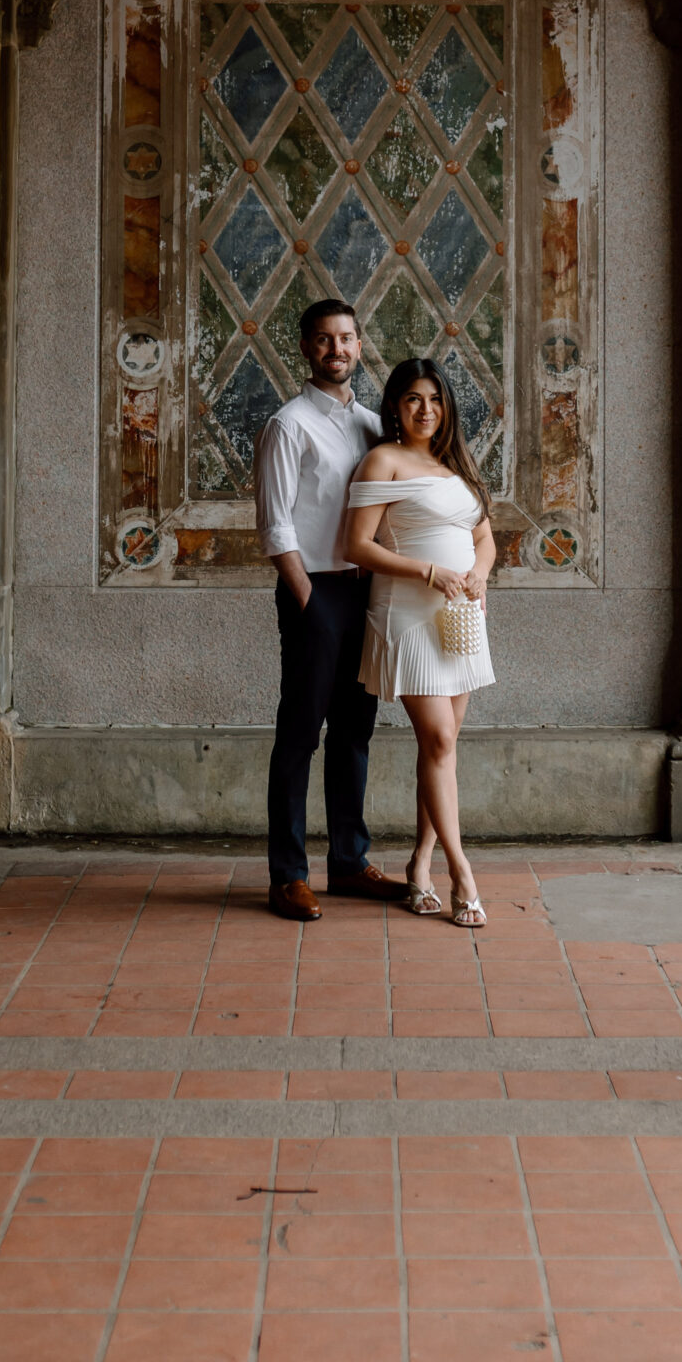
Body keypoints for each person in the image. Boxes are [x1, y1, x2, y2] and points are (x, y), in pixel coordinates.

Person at [253, 299, 410, 922]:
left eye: (345, 339)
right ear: (305, 349)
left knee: (354, 731)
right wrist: (309, 601)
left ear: (360, 346)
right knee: (299, 735)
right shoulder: (288, 426)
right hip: (314, 592)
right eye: (323, 341)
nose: (336, 350)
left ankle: (348, 863)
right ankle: (287, 875)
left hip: (367, 594)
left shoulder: (376, 426)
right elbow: (275, 526)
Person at [344, 357, 496, 928]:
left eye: (434, 399)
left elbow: (485, 540)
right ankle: (463, 874)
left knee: (443, 746)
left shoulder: (455, 465)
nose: (425, 410)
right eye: (413, 399)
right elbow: (357, 546)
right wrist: (429, 573)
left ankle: (421, 863)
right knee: (436, 739)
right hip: (408, 615)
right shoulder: (382, 461)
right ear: (394, 407)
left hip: (462, 619)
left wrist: (478, 572)